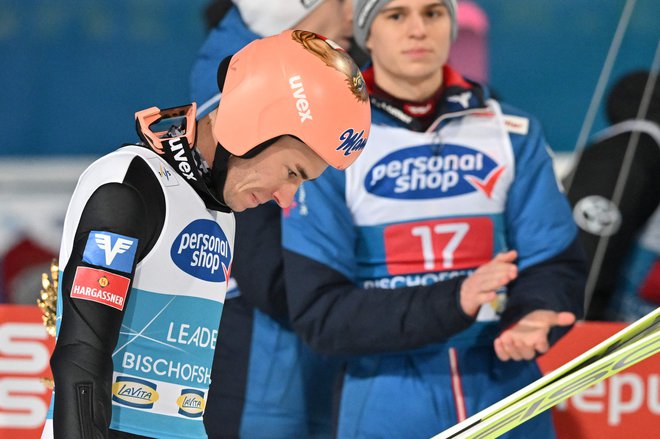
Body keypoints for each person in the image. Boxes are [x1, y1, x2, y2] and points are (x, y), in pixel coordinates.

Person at [41, 30, 371, 439]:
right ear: (255, 120)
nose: (287, 199)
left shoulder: (220, 214)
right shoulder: (131, 185)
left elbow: (182, 410)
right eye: (292, 173)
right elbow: (80, 359)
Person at [281, 1, 587, 438]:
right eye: (396, 15)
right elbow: (321, 315)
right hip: (386, 395)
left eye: (433, 13)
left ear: (452, 25)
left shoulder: (509, 130)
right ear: (366, 33)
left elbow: (553, 263)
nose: (418, 29)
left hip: (505, 384)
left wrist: (535, 312)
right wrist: (454, 299)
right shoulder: (324, 145)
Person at [190, 2, 355, 438]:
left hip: (335, 358)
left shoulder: (349, 78)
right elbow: (263, 267)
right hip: (260, 358)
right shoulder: (236, 63)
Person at [565, 69, 660, 322]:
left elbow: (588, 242)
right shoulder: (638, 151)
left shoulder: (619, 153)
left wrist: (577, 315)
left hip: (618, 324)